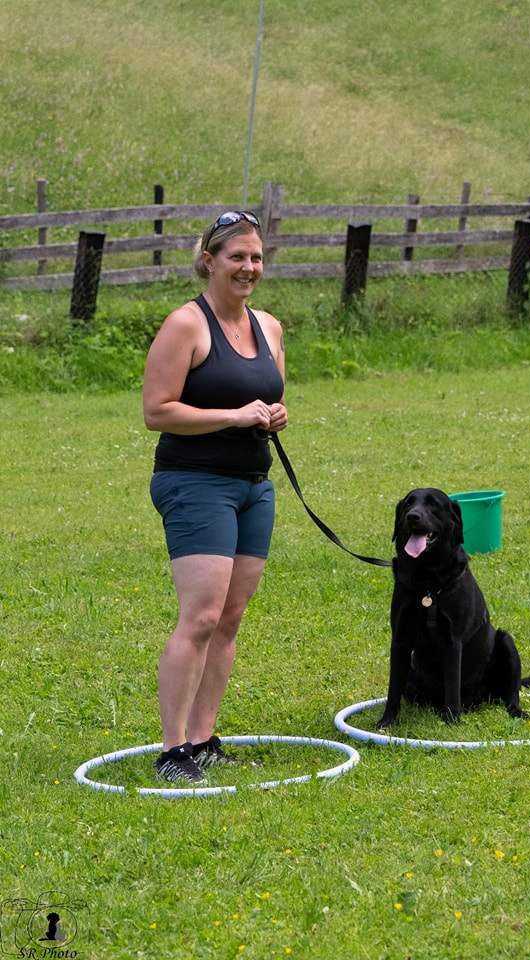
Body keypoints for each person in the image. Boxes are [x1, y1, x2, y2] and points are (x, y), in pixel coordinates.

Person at [143, 211, 287, 784]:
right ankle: (173, 750)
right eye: (236, 257)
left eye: (255, 258)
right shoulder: (185, 325)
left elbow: (271, 396)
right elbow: (157, 411)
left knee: (229, 617)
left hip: (255, 486)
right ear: (209, 260)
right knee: (200, 616)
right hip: (194, 483)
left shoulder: (270, 327)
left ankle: (204, 740)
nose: (248, 268)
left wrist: (274, 416)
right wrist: (232, 415)